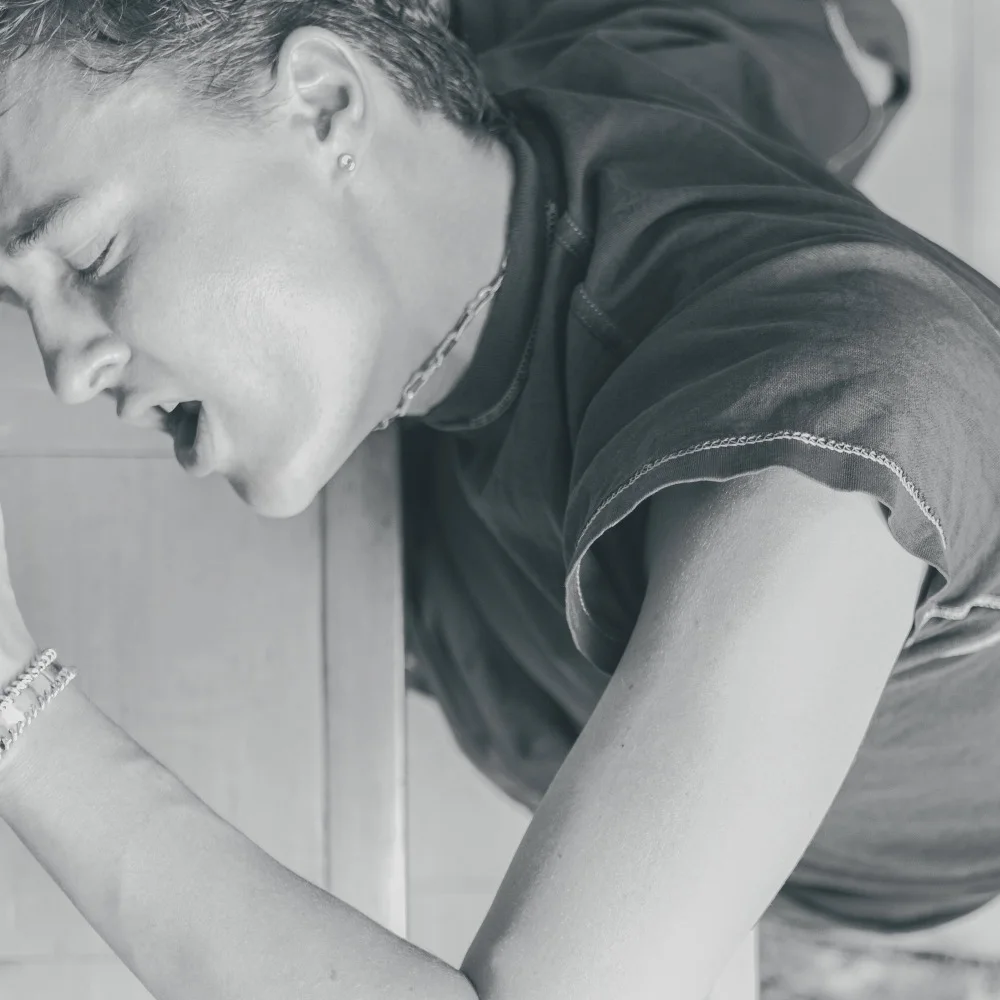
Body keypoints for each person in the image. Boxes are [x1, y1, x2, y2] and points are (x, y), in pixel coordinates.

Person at [0, 2, 997, 999]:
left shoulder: (820, 443)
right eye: (20, 304)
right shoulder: (553, 84)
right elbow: (857, 46)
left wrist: (20, 714)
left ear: (324, 103)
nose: (65, 371)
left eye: (91, 256)